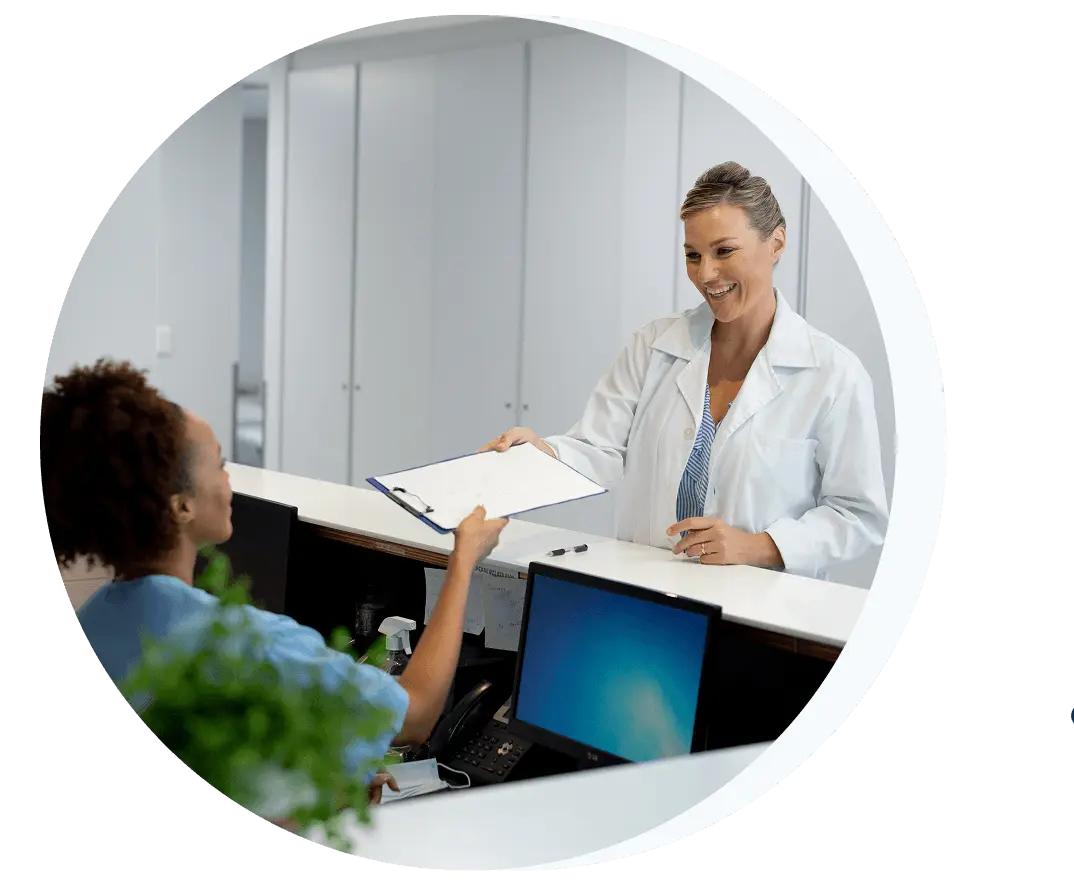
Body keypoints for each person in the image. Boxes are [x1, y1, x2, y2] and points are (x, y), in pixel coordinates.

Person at [41, 359, 508, 807]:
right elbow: (417, 712)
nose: (229, 480)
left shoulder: (96, 619)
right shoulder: (245, 645)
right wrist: (462, 561)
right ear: (181, 506)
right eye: (219, 464)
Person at [482, 161, 888, 580]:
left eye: (724, 251)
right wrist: (543, 453)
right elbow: (598, 449)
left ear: (777, 243)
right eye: (693, 255)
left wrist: (758, 546)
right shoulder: (654, 346)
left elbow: (858, 514)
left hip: (759, 606)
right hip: (647, 588)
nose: (706, 274)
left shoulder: (833, 374)